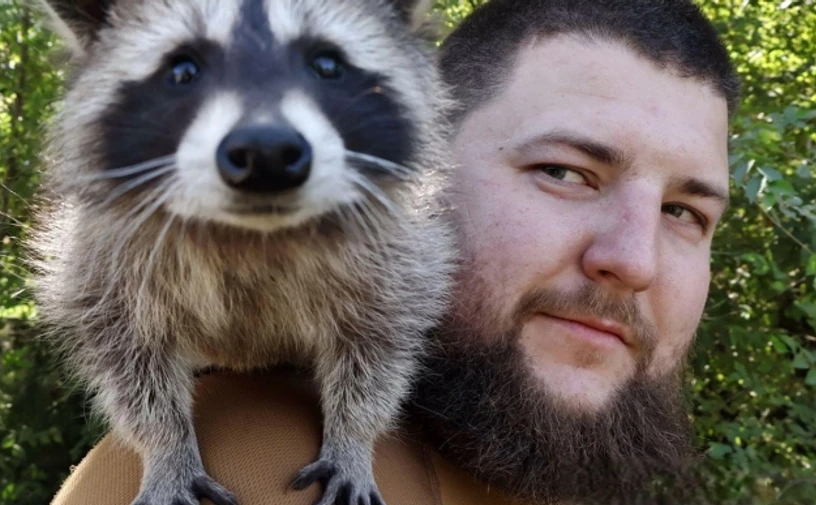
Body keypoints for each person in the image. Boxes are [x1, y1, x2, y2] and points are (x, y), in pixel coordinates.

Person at [50, 0, 740, 504]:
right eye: (561, 170)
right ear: (440, 162)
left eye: (685, 212)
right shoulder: (257, 463)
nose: (633, 260)